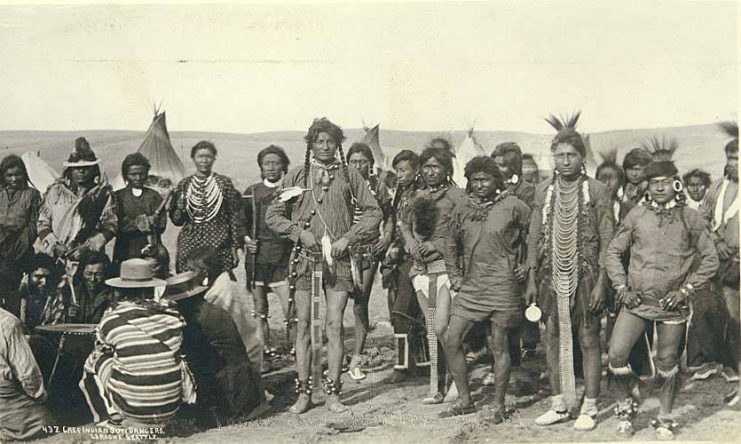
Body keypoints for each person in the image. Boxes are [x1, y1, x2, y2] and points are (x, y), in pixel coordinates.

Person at [266, 118, 382, 413]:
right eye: (319, 141)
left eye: (330, 141)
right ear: (311, 144)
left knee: (333, 325)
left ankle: (333, 394)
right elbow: (273, 215)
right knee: (303, 326)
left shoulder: (349, 175)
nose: (325, 146)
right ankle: (304, 393)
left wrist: (348, 237)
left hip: (339, 262)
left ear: (338, 144)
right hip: (305, 262)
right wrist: (299, 233)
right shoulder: (296, 176)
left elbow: (373, 212)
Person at [605, 138, 718, 438]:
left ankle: (665, 418)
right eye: (653, 182)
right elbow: (613, 253)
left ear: (676, 184)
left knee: (668, 363)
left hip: (672, 304)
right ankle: (626, 407)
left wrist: (686, 290)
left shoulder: (690, 218)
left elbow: (710, 259)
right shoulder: (636, 215)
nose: (658, 188)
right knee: (617, 354)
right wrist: (621, 286)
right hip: (637, 300)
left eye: (665, 182)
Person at [525, 112, 613, 431]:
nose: (565, 161)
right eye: (560, 155)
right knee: (551, 336)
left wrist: (602, 283)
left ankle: (589, 405)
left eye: (571, 155)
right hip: (551, 275)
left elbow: (608, 240)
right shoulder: (544, 191)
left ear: (581, 157)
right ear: (554, 158)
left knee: (589, 336)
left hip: (587, 274)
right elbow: (534, 237)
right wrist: (533, 277)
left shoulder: (598, 191)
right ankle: (559, 403)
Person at [441, 156, 530, 421]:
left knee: (498, 346)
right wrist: (455, 275)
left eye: (486, 179)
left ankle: (499, 406)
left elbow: (537, 236)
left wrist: (526, 265)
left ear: (497, 180)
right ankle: (466, 400)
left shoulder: (514, 206)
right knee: (451, 338)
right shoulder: (462, 208)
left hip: (503, 286)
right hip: (471, 287)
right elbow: (450, 243)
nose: (480, 185)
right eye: (475, 180)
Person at [79, 258, 194, 428]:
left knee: (94, 359)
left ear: (119, 290)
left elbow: (101, 346)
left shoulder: (112, 320)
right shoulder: (172, 315)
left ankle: (109, 417)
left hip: (135, 409)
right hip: (170, 407)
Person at [163, 265, 268, 426]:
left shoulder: (197, 322)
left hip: (232, 390)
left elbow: (197, 361)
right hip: (244, 383)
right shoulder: (210, 310)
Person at [405, 146, 466, 404]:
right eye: (426, 167)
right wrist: (410, 242)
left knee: (443, 327)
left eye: (436, 167)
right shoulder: (417, 195)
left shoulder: (457, 196)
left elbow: (466, 232)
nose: (430, 172)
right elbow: (404, 224)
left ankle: (457, 379)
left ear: (446, 169)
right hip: (421, 270)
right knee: (431, 329)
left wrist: (437, 245)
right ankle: (436, 387)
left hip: (446, 269)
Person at [345, 142, 393, 380]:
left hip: (367, 250)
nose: (358, 166)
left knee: (360, 302)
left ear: (370, 164)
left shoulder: (378, 186)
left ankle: (356, 357)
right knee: (338, 302)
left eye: (363, 161)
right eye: (353, 162)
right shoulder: (340, 185)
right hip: (342, 250)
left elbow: (389, 214)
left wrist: (386, 238)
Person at [243, 145, 294, 366]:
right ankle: (263, 353)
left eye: (276, 163)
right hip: (257, 257)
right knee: (260, 309)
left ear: (284, 166)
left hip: (284, 256)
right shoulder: (252, 192)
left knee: (291, 309)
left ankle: (295, 348)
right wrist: (247, 240)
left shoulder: (291, 191)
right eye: (267, 163)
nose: (271, 167)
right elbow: (240, 222)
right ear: (261, 167)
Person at [381, 149, 428, 382]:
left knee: (404, 311)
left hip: (417, 257)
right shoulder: (401, 192)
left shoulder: (422, 194)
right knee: (404, 311)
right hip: (400, 259)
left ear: (416, 170)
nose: (399, 175)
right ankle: (417, 363)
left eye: (403, 170)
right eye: (397, 170)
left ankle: (406, 366)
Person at [490, 142, 537, 377]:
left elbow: (531, 233)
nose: (498, 169)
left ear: (513, 167)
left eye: (503, 165)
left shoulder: (526, 191)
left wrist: (526, 265)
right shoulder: (488, 188)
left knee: (511, 317)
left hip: (516, 259)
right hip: (492, 260)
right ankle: (499, 366)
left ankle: (515, 368)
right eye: (496, 164)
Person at [701, 121, 740, 390]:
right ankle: (733, 364)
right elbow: (702, 221)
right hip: (727, 262)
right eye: (732, 158)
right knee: (732, 316)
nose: (735, 163)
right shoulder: (717, 189)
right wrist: (717, 242)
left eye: (739, 158)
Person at [169, 140, 246, 275]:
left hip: (219, 242)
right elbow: (177, 221)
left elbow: (233, 216)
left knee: (217, 285)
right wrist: (180, 209)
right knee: (189, 284)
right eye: (200, 156)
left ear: (214, 158)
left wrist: (234, 246)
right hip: (190, 243)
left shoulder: (224, 183)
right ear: (193, 158)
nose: (204, 160)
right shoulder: (184, 184)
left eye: (208, 156)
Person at [36, 137, 117, 261]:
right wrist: (55, 246)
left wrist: (88, 247)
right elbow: (43, 223)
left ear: (94, 170)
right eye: (76, 168)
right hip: (57, 256)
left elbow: (110, 226)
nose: (81, 171)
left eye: (86, 168)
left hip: (89, 258)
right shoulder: (57, 192)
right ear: (70, 170)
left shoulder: (102, 195)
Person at [0, 306, 51, 441]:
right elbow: (28, 374)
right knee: (46, 424)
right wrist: (41, 397)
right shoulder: (7, 322)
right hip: (5, 400)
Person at [0, 154, 42, 316]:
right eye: (9, 175)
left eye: (18, 174)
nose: (14, 179)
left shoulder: (31, 195)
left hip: (18, 253)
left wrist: (20, 246)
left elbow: (34, 224)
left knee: (13, 296)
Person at [113, 153, 167, 271]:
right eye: (133, 174)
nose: (138, 178)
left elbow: (162, 225)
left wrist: (155, 222)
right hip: (125, 249)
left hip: (152, 250)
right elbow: (117, 224)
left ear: (146, 174)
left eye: (141, 174)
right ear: (126, 175)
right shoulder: (118, 197)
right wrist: (145, 221)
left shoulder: (154, 196)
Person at [64, 250, 115, 324]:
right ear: (82, 273)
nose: (93, 279)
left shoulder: (112, 296)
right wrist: (70, 317)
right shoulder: (75, 294)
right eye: (88, 274)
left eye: (98, 274)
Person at [19, 253, 66, 330]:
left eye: (47, 277)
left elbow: (56, 326)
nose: (44, 282)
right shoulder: (15, 297)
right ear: (27, 275)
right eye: (38, 277)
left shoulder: (55, 296)